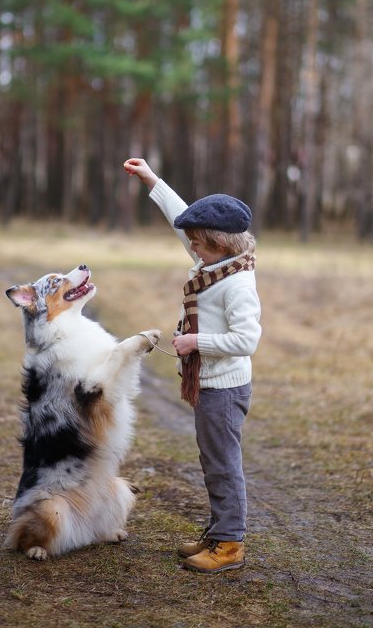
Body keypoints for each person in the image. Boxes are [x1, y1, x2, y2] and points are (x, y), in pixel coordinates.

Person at [123, 157, 261, 573]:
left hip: (224, 388)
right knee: (212, 461)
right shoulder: (216, 264)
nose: (191, 248)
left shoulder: (236, 283)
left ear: (219, 242)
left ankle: (230, 545)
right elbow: (181, 219)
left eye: (197, 243)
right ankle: (220, 531)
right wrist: (152, 180)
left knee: (222, 466)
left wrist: (194, 342)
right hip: (211, 385)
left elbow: (247, 340)